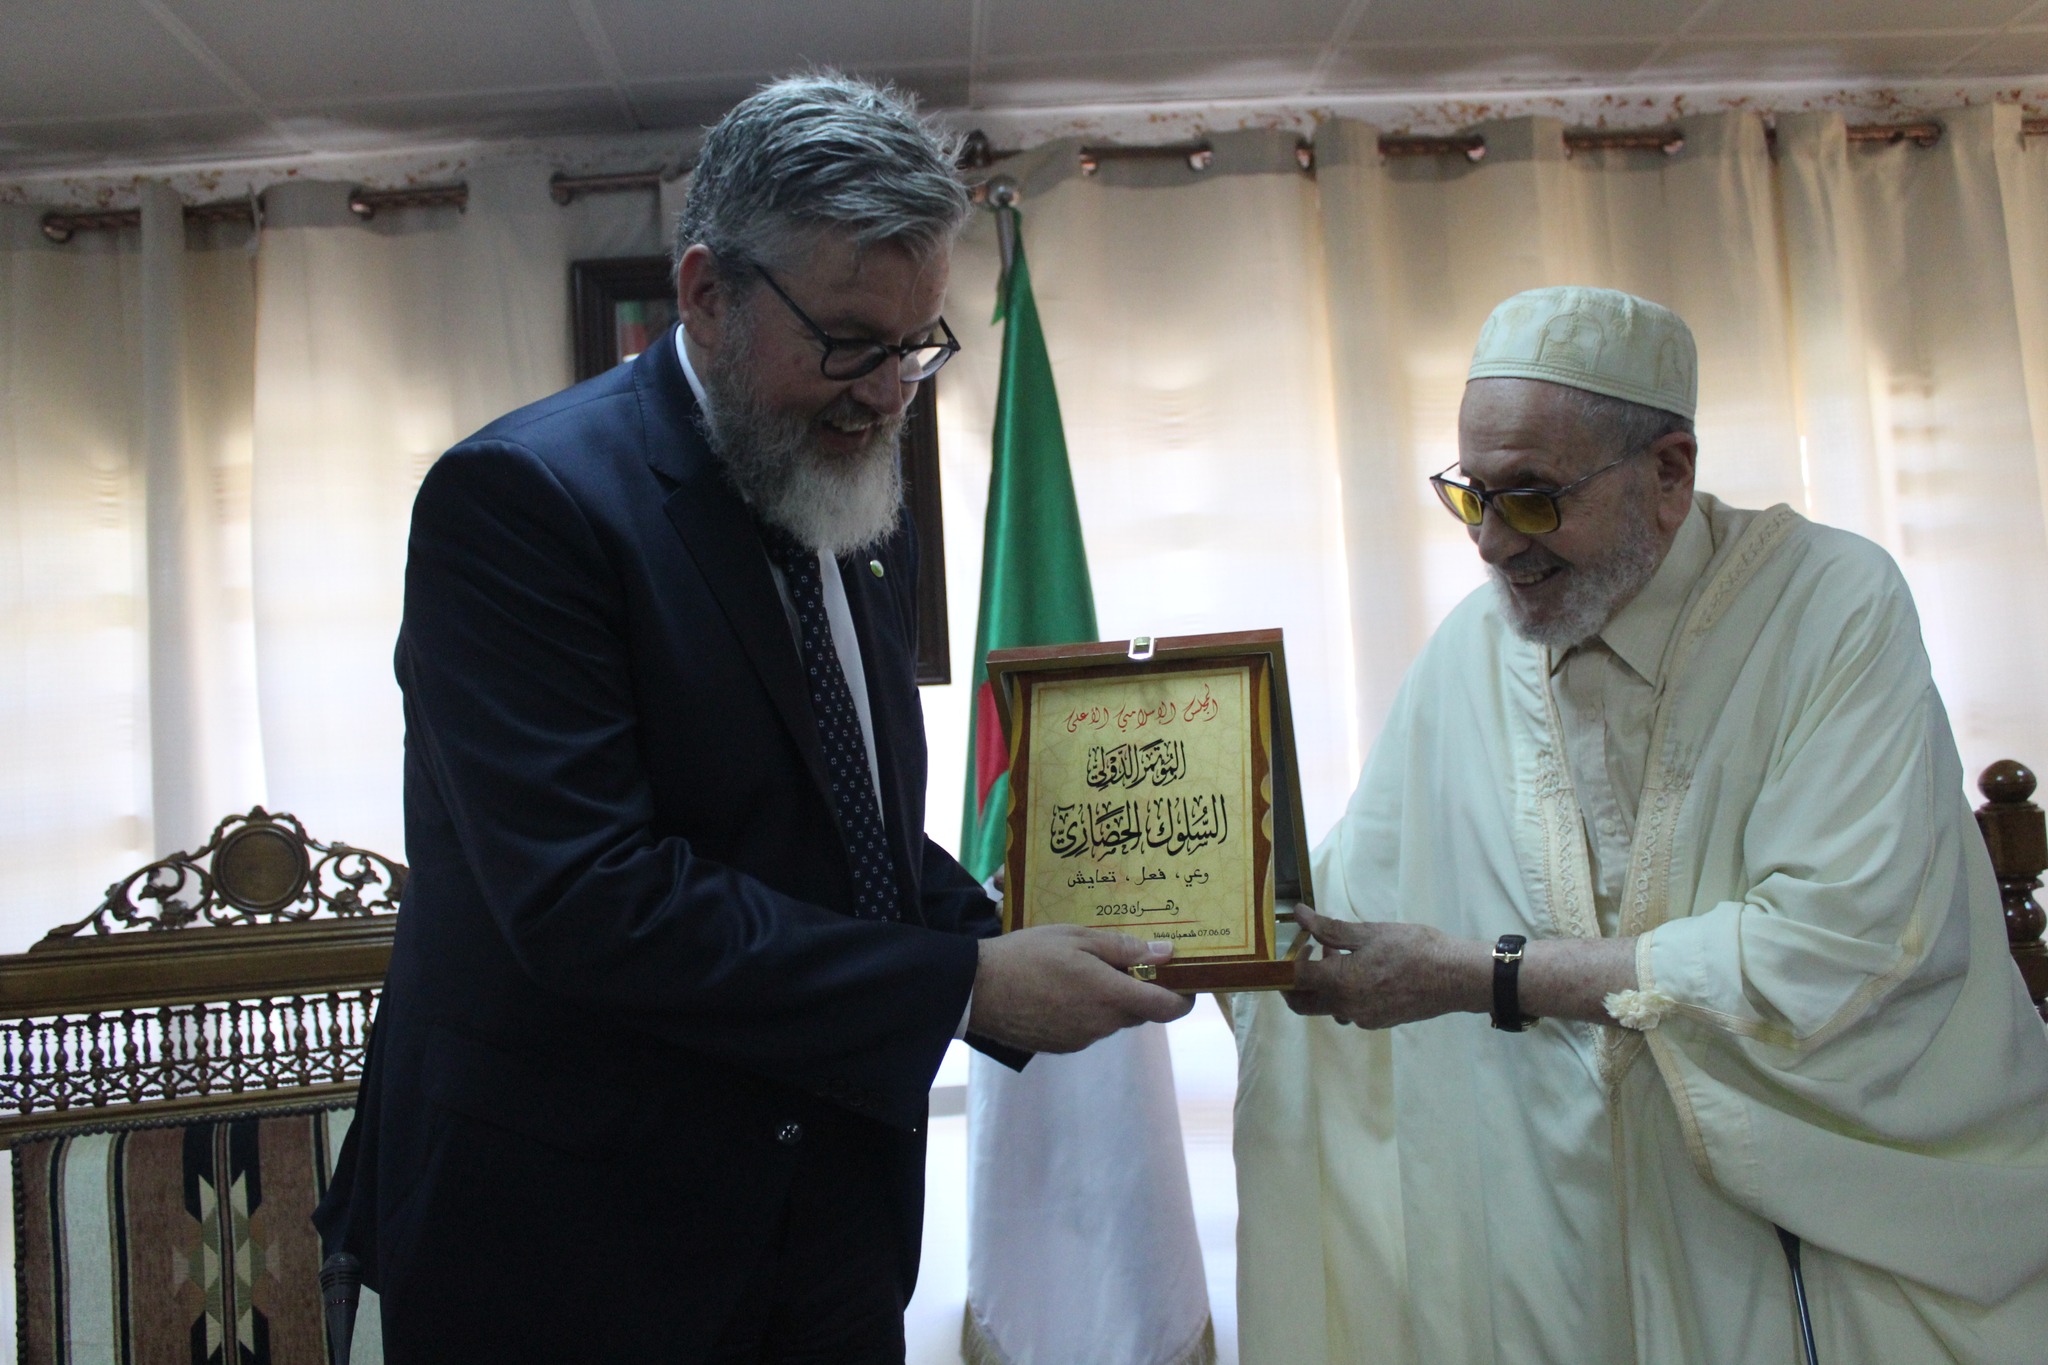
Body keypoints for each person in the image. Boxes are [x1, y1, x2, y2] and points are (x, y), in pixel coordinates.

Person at [314, 73, 1192, 1364]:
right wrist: (963, 983)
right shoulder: (519, 503)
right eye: (848, 340)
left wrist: (1036, 927)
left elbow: (839, 834)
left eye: (918, 344)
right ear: (707, 293)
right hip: (577, 1257)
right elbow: (590, 899)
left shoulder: (845, 488)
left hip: (826, 1227)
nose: (889, 391)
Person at [1231, 286, 2048, 1362]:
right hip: (1564, 1239)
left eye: (1528, 498)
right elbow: (1335, 912)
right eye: (1466, 495)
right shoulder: (1471, 653)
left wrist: (1488, 976)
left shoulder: (1830, 605)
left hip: (1816, 1229)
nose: (1485, 543)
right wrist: (1164, 914)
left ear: (1668, 473)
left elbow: (1826, 946)